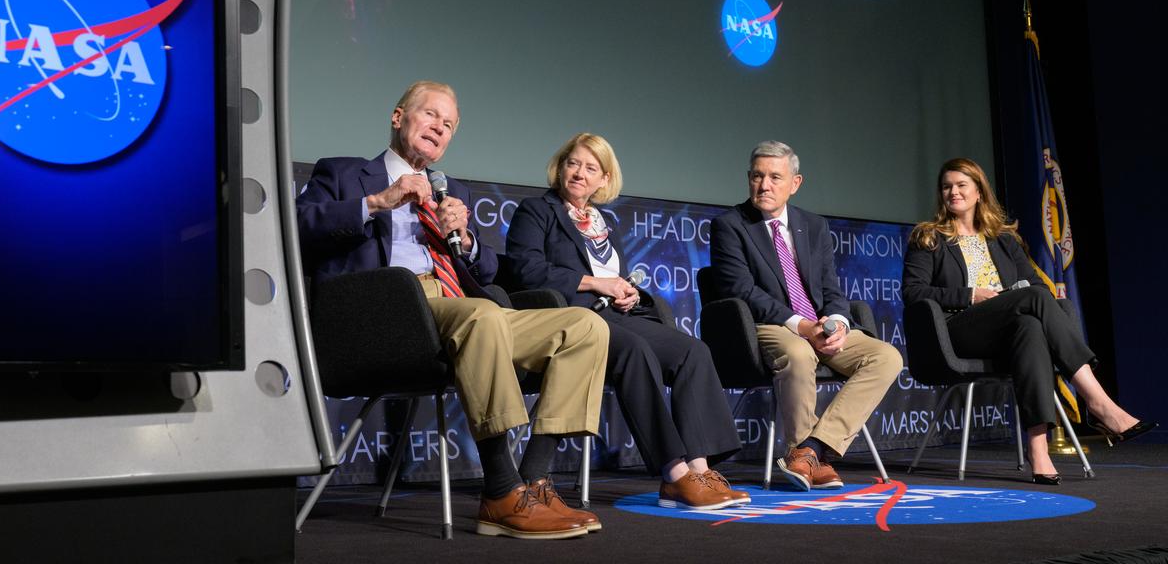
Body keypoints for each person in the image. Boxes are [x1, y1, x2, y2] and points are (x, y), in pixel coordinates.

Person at [297, 81, 610, 539]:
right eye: (430, 116)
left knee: (583, 326)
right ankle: (500, 490)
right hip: (383, 314)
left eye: (448, 125)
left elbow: (485, 272)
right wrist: (376, 203)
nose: (439, 128)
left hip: (456, 309)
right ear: (399, 117)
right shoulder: (345, 174)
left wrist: (462, 237)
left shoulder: (451, 189)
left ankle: (533, 482)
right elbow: (298, 226)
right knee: (479, 316)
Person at [504, 133, 747, 510]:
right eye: (574, 164)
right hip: (569, 319)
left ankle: (699, 470)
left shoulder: (605, 223)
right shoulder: (536, 211)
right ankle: (674, 474)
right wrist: (596, 282)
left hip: (617, 314)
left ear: (604, 179)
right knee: (635, 352)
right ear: (560, 167)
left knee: (693, 352)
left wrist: (630, 293)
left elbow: (616, 277)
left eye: (591, 168)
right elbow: (526, 271)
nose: (580, 173)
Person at [901, 157, 1155, 484]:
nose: (954, 192)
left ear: (979, 191)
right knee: (1033, 301)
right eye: (947, 186)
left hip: (1005, 328)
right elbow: (913, 293)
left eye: (961, 185)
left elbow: (1034, 285)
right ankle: (1099, 402)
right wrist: (969, 295)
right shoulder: (929, 237)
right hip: (957, 331)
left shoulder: (1004, 239)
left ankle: (1039, 449)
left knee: (1030, 325)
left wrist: (1010, 297)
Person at [709, 140, 902, 491]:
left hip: (818, 324)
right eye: (757, 176)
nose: (764, 185)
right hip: (768, 326)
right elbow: (741, 290)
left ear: (795, 183)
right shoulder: (730, 225)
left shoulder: (813, 225)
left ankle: (812, 450)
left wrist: (838, 324)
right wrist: (801, 325)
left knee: (886, 356)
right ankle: (806, 456)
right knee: (798, 353)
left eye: (774, 177)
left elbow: (831, 287)